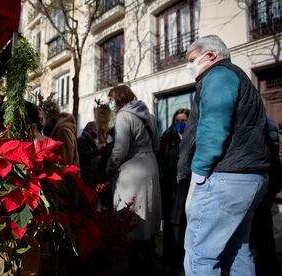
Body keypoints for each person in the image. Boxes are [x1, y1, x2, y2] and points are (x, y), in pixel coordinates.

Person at [177, 35, 269, 276]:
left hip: (224, 178)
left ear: (210, 56)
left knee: (200, 257)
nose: (189, 65)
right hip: (248, 177)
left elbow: (214, 128)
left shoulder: (218, 75)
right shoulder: (239, 79)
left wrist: (198, 174)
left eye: (192, 59)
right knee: (237, 253)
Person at [106, 84, 162, 275]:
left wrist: (108, 169)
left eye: (111, 99)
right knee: (148, 210)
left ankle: (135, 264)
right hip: (150, 166)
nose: (109, 104)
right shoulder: (148, 115)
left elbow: (119, 150)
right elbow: (157, 145)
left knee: (131, 216)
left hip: (133, 170)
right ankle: (149, 258)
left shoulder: (123, 116)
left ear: (119, 99)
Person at [158, 108, 189, 275]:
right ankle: (169, 261)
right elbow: (162, 161)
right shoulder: (167, 138)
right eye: (177, 120)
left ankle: (181, 261)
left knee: (183, 226)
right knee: (170, 226)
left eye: (184, 120)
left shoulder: (193, 137)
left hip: (185, 187)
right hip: (170, 188)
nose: (180, 123)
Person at [250, 116, 282, 276]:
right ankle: (269, 266)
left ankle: (264, 267)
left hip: (263, 180)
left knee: (258, 228)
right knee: (264, 226)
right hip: (271, 179)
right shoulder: (268, 121)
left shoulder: (258, 121)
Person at [43, 100, 79, 166]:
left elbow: (66, 161)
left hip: (65, 175)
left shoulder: (62, 131)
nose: (42, 119)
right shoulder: (54, 130)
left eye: (44, 117)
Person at [77, 121, 102, 188]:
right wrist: (98, 150)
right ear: (90, 129)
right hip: (85, 176)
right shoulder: (82, 139)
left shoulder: (89, 141)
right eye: (96, 130)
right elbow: (83, 156)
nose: (97, 133)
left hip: (89, 175)